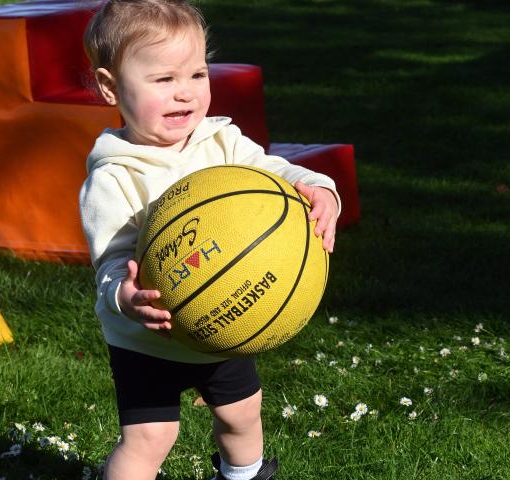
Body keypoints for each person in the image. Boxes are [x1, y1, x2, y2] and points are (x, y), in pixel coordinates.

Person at [79, 1, 340, 479]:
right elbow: (111, 265)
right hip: (147, 340)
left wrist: (320, 188)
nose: (185, 94)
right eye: (163, 80)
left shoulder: (222, 143)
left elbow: (276, 171)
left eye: (197, 75)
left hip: (225, 319)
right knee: (149, 438)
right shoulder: (113, 177)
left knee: (242, 416)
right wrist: (126, 296)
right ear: (109, 86)